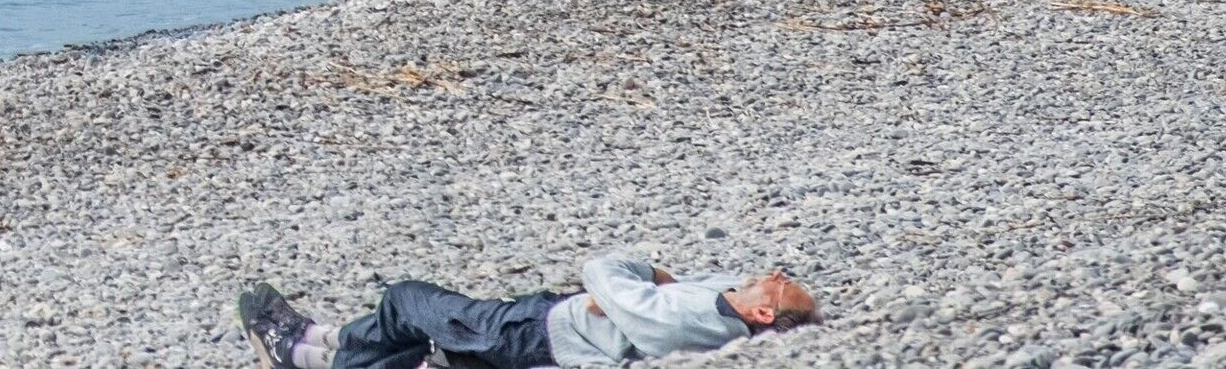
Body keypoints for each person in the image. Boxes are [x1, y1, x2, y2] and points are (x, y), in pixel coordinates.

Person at [238, 255, 820, 369]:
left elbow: (602, 269)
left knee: (407, 300)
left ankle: (306, 347)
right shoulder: (721, 301)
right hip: (548, 322)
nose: (776, 274)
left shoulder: (694, 320)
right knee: (424, 349)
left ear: (763, 316)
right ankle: (314, 348)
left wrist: (638, 278)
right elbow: (707, 281)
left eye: (780, 286)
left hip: (534, 335)